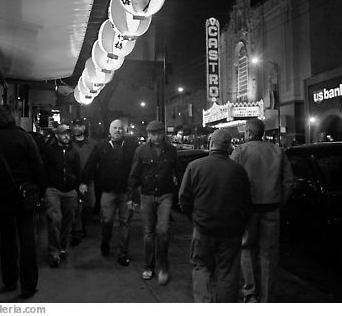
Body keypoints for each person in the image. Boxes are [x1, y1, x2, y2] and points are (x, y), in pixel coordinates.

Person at [0, 104, 46, 299]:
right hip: (25, 196)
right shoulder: (25, 138)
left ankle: (9, 280)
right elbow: (38, 168)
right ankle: (28, 285)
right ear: (14, 118)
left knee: (7, 237)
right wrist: (40, 191)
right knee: (27, 239)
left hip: (1, 197)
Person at [179, 129, 251, 302]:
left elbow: (183, 198)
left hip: (203, 228)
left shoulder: (195, 166)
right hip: (231, 230)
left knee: (201, 267)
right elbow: (246, 202)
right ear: (229, 147)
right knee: (227, 273)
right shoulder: (238, 170)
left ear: (211, 143)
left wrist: (193, 217)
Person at [230, 118, 294, 303]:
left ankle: (250, 293)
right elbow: (289, 182)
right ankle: (267, 297)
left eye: (245, 132)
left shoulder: (240, 151)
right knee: (269, 253)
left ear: (249, 132)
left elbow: (231, 181)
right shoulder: (277, 150)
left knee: (247, 249)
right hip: (271, 208)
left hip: (248, 209)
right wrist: (280, 201)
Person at [128, 120, 182, 284]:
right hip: (147, 195)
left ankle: (163, 266)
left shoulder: (171, 150)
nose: (156, 136)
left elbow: (178, 173)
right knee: (148, 233)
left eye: (159, 133)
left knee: (164, 231)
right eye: (153, 133)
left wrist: (180, 194)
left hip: (165, 195)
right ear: (148, 134)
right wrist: (132, 198)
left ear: (163, 133)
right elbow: (134, 175)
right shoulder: (141, 150)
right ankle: (148, 266)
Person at [82, 119, 138, 266]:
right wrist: (83, 182)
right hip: (108, 192)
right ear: (109, 130)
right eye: (115, 128)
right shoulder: (101, 146)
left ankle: (122, 254)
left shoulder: (132, 146)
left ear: (124, 130)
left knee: (125, 223)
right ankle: (105, 242)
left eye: (120, 128)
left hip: (127, 192)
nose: (118, 130)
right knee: (107, 221)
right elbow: (91, 164)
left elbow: (138, 166)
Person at [43, 124, 82, 267]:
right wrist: (45, 188)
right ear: (57, 135)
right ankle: (54, 251)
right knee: (55, 219)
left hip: (70, 190)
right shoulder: (49, 150)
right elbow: (44, 168)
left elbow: (78, 170)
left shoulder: (74, 151)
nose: (67, 136)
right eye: (63, 134)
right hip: (53, 189)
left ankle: (61, 247)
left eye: (68, 134)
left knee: (67, 220)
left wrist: (77, 187)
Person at [70, 118, 98, 245]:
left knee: (89, 204)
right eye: (75, 126)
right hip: (73, 180)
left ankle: (84, 226)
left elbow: (97, 162)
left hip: (89, 180)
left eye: (79, 126)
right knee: (75, 206)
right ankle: (77, 231)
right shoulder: (68, 142)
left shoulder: (92, 143)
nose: (77, 128)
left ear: (84, 128)